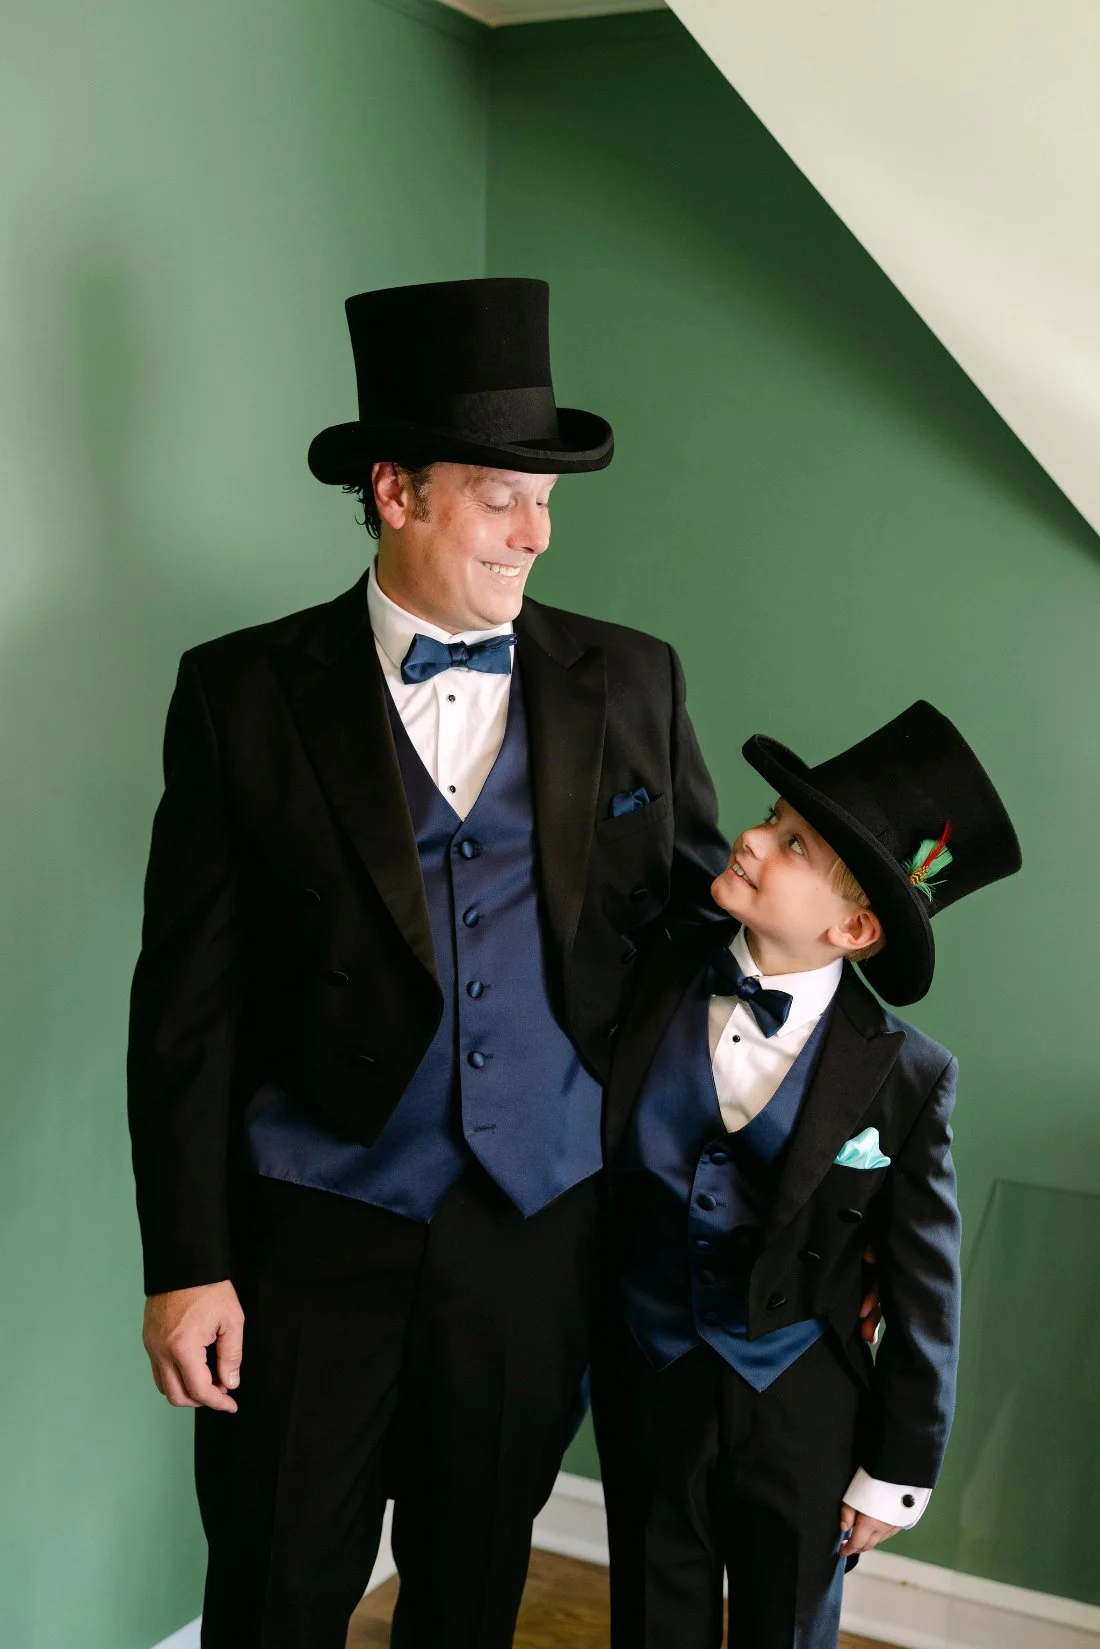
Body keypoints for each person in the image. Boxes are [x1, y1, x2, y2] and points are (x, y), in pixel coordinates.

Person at [126, 276, 730, 1649]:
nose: (536, 532)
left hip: (538, 1228)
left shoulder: (634, 680)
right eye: (498, 496)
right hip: (312, 1228)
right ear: (395, 493)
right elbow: (184, 1005)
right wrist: (187, 1260)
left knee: (468, 1597)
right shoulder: (241, 694)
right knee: (276, 1594)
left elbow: (709, 936)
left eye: (547, 498)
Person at [593, 701, 1022, 1648]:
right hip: (650, 1375)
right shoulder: (653, 970)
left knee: (787, 1628)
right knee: (651, 1622)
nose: (751, 838)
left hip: (804, 1405)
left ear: (857, 927)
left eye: (792, 844)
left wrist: (897, 1469)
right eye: (770, 816)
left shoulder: (907, 1073)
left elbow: (923, 1292)